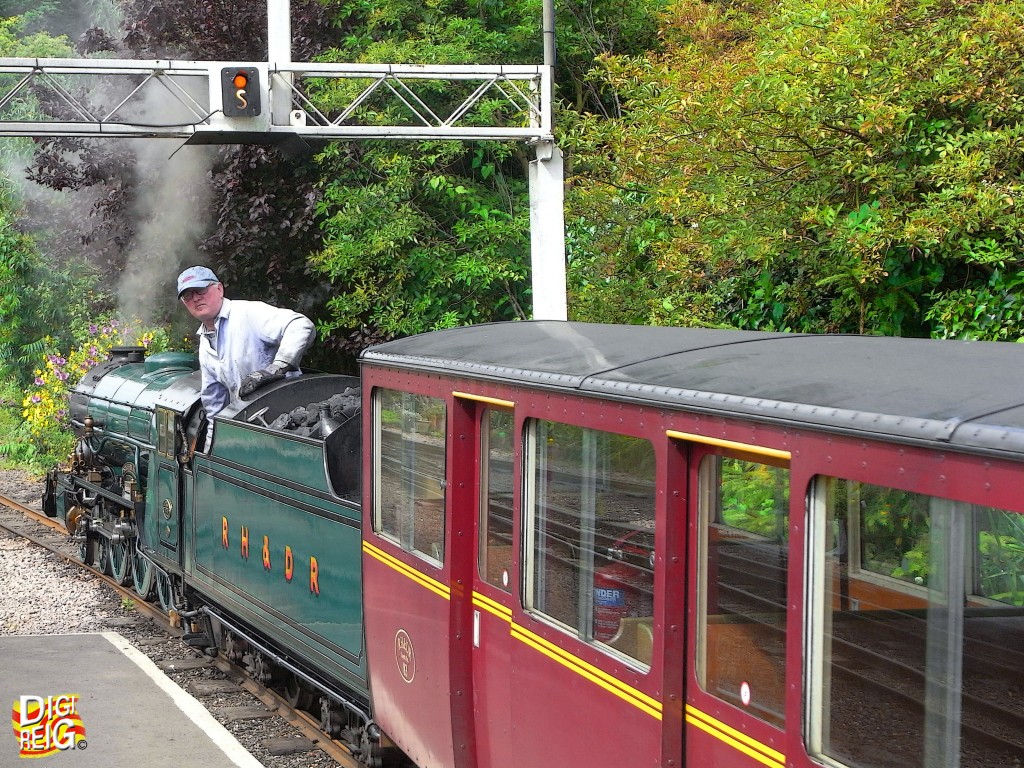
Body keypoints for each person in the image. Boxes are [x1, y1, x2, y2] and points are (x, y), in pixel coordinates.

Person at [176, 265, 316, 416]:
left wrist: (277, 367)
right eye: (188, 295)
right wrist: (214, 438)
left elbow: (301, 325)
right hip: (252, 424)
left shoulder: (248, 313)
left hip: (292, 415)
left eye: (201, 290)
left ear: (219, 289)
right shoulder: (205, 343)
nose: (196, 298)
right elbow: (214, 404)